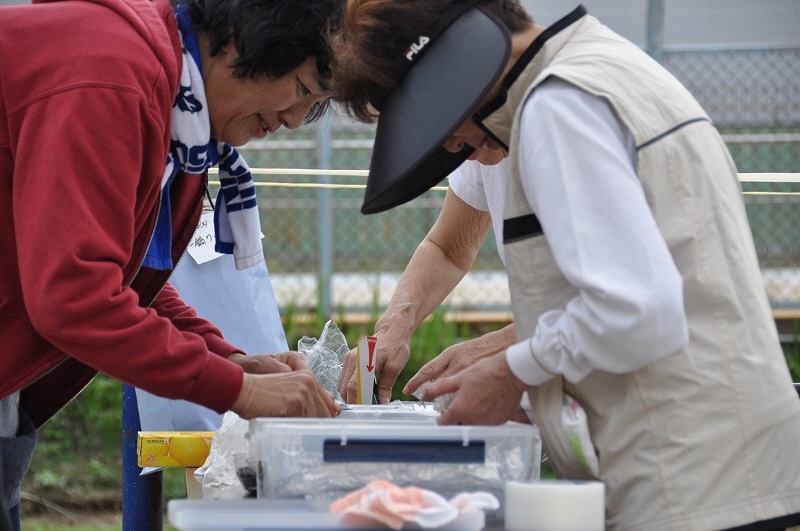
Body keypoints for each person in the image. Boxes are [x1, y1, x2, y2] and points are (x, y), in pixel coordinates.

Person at [330, 0, 800, 529]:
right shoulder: (597, 64)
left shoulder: (557, 106)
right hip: (727, 463)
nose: (449, 145)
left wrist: (512, 371)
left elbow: (637, 308)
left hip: (687, 478)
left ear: (453, 59)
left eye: (436, 115)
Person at [0, 0, 344, 526]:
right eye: (300, 90)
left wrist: (229, 359)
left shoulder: (183, 123)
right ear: (239, 39)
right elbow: (74, 295)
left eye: (314, 104)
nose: (295, 120)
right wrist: (241, 391)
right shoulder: (114, 73)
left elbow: (128, 279)